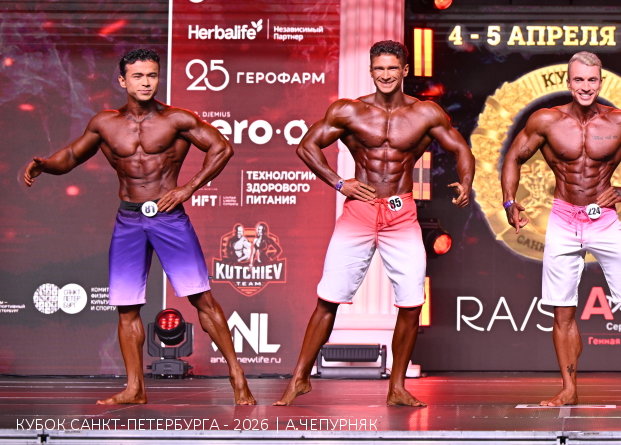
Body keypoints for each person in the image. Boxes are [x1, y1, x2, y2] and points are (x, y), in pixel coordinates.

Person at [21, 48, 255, 406]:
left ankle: (237, 376)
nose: (146, 82)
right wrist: (45, 165)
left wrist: (188, 188)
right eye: (138, 76)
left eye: (152, 75)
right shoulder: (105, 123)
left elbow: (222, 148)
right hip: (129, 220)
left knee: (201, 299)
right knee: (127, 307)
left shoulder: (177, 119)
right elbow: (72, 155)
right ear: (122, 80)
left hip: (168, 217)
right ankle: (135, 388)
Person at [273, 40, 474, 408]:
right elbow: (306, 146)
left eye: (392, 68)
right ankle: (299, 378)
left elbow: (460, 148)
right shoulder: (349, 110)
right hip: (359, 212)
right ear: (370, 71)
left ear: (404, 71)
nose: (385, 75)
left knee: (411, 303)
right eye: (379, 68)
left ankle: (397, 387)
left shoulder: (425, 113)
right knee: (329, 298)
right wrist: (339, 183)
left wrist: (465, 180)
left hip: (401, 213)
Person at [503, 51, 621, 407]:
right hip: (563, 218)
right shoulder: (547, 120)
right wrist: (509, 202)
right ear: (568, 82)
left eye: (592, 80)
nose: (585, 86)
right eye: (579, 79)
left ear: (600, 82)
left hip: (603, 219)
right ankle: (569, 388)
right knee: (562, 310)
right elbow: (514, 156)